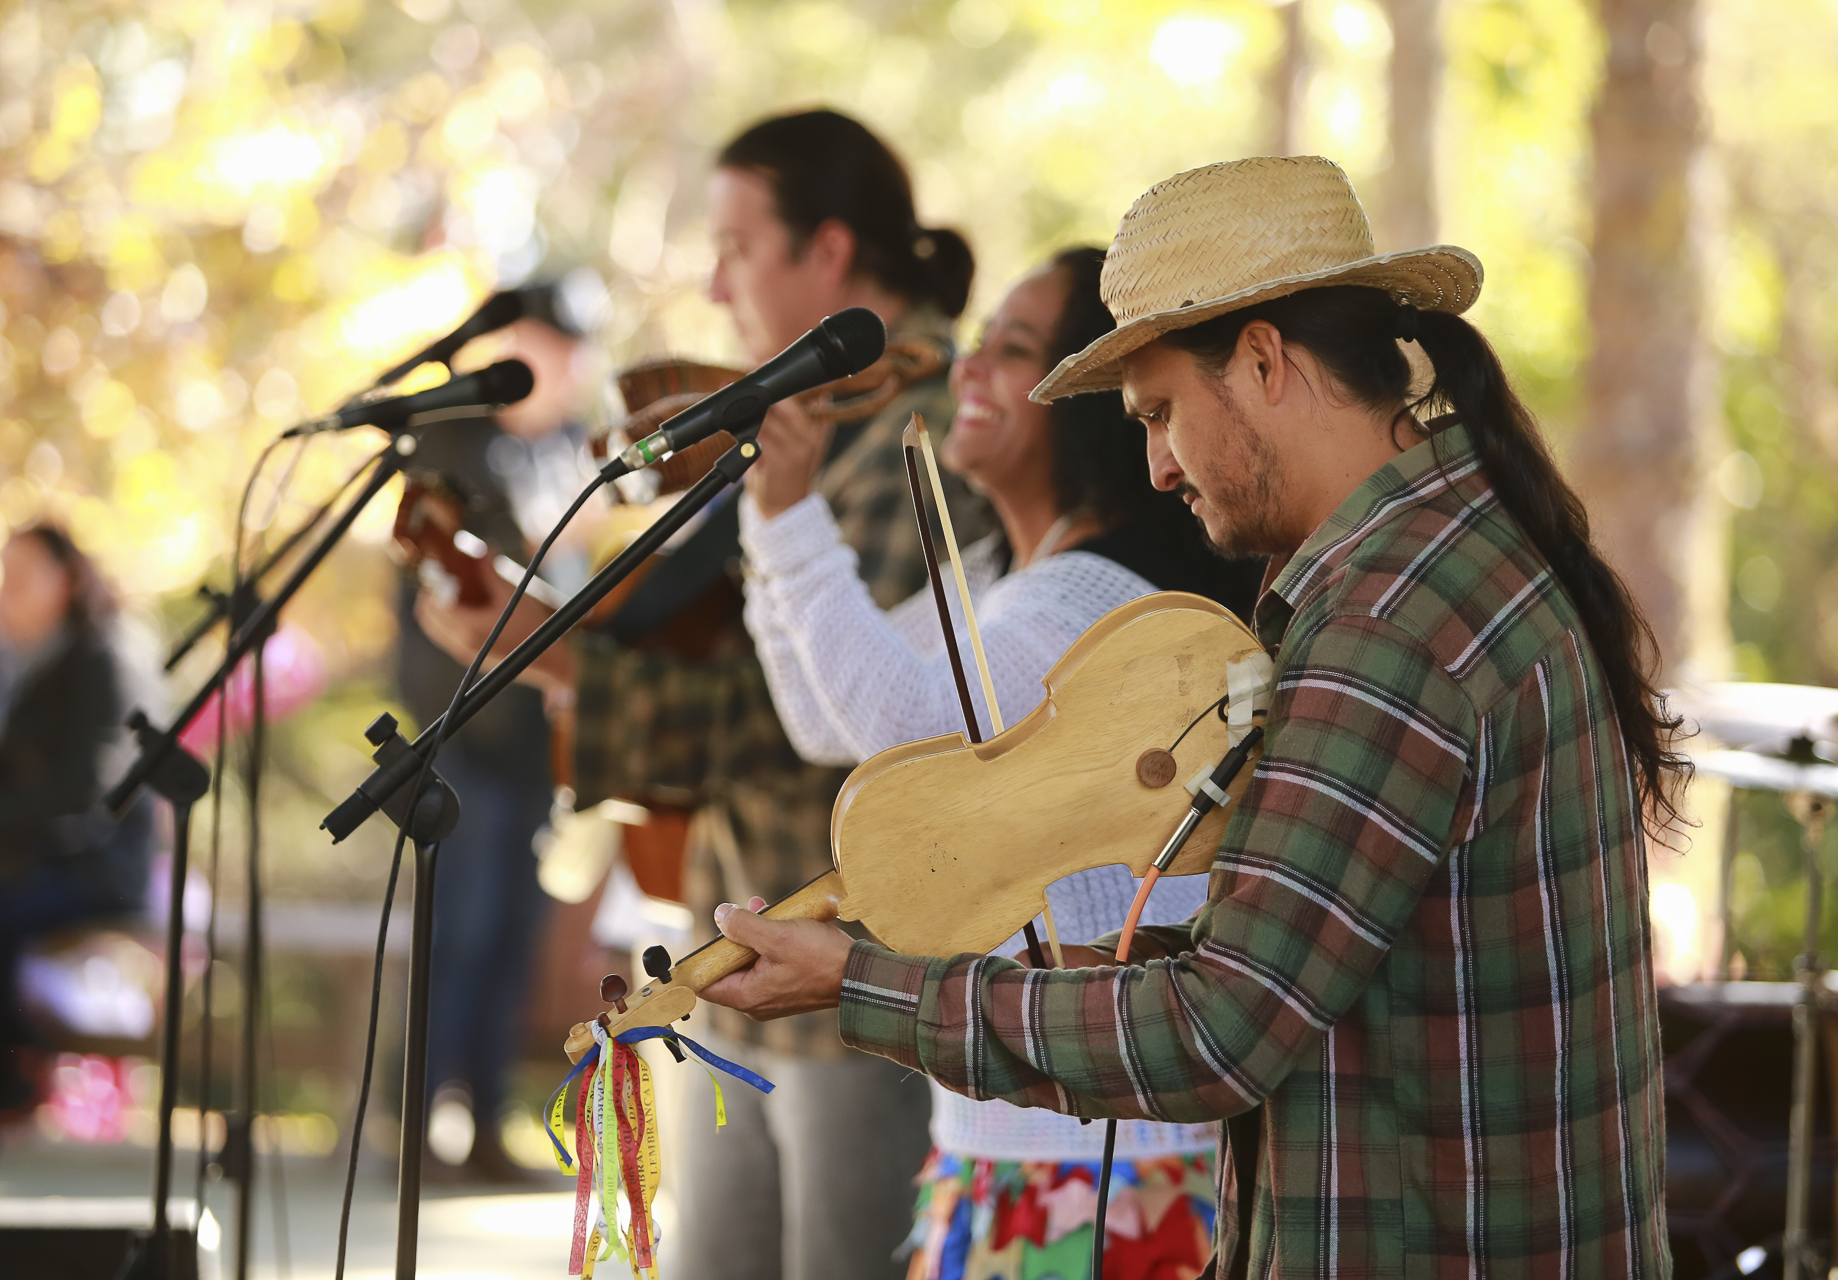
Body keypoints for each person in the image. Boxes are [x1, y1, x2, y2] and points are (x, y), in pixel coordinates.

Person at [700, 156, 1680, 1276]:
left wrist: (856, 981)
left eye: (1163, 412)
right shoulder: (1449, 550)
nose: (1156, 464)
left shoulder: (1386, 624)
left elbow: (1220, 1032)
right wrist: (1087, 966)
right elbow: (1327, 955)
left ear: (1264, 360)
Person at [418, 109, 990, 1280]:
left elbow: (831, 721)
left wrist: (557, 653)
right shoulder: (813, 417)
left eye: (736, 246)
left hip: (857, 965)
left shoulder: (925, 421)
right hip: (740, 950)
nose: (715, 282)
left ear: (828, 253)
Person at [739, 244, 1265, 1277]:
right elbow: (820, 716)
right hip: (1008, 1143)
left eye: (1012, 349)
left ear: (1089, 400)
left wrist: (793, 515)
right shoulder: (999, 574)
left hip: (1105, 1167)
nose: (969, 369)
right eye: (975, 344)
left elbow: (905, 724)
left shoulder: (1097, 595)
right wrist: (770, 521)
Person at [394, 278, 599, 1182]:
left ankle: (482, 1122)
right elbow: (460, 587)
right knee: (462, 929)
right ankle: (415, 1124)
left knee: (514, 931)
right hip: (462, 726)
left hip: (538, 731)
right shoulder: (455, 444)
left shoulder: (562, 447)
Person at [0, 522, 155, 1153]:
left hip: (86, 860)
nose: (9, 591)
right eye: (6, 575)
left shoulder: (97, 661)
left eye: (24, 575)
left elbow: (81, 789)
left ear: (65, 581)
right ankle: (18, 1057)